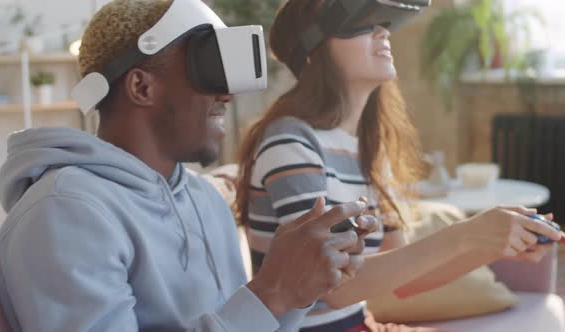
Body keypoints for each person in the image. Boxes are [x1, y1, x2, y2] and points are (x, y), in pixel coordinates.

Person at [0, 1, 376, 331]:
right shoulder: (66, 212)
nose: (226, 93)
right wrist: (272, 292)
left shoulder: (204, 199)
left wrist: (298, 292)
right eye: (208, 65)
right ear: (142, 87)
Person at [236, 1, 562, 331]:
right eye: (362, 24)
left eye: (383, 22)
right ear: (312, 49)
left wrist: (491, 244)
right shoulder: (290, 141)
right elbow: (334, 285)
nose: (383, 31)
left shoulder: (366, 147)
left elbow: (405, 282)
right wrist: (466, 233)